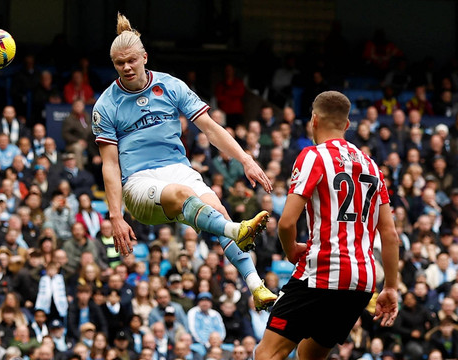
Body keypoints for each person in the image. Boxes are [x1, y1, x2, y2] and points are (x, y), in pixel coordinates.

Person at [93, 13, 276, 310]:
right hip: (140, 182)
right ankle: (235, 231)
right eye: (119, 63)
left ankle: (257, 287)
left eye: (131, 60)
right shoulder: (106, 104)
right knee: (187, 197)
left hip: (177, 168)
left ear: (144, 57)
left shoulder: (170, 86)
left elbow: (211, 128)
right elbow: (110, 165)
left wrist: (246, 159)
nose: (126, 67)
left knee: (217, 208)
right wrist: (116, 215)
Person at [254, 91, 400, 360]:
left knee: (267, 353)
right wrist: (391, 287)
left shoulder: (313, 157)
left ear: (314, 120)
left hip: (322, 271)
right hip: (361, 282)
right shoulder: (372, 166)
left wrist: (290, 251)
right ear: (347, 125)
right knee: (310, 355)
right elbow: (390, 235)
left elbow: (286, 222)